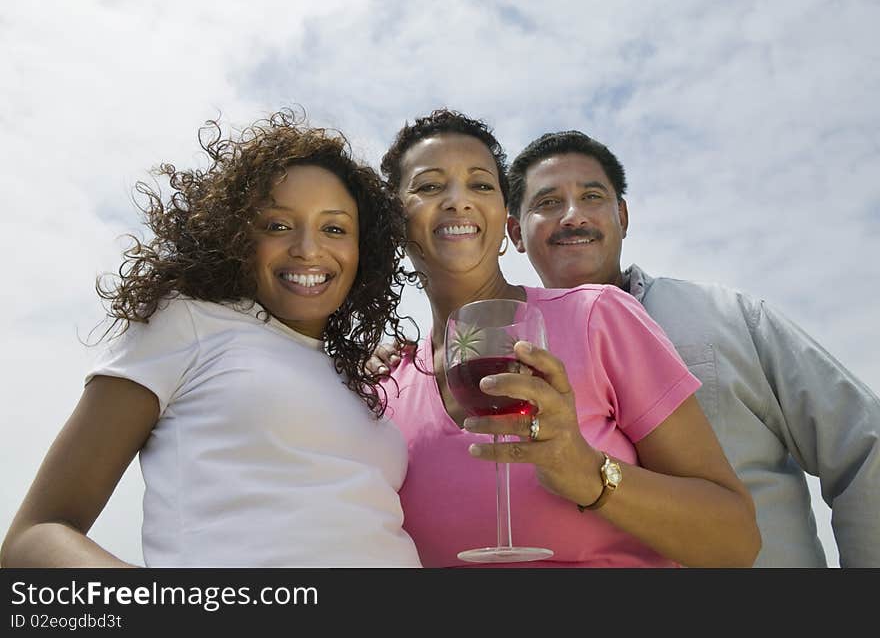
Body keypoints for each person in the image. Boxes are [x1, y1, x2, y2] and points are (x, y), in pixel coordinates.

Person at [0, 109, 422, 568]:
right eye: (278, 225)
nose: (308, 248)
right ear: (239, 234)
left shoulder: (357, 379)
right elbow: (34, 537)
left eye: (335, 229)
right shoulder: (187, 321)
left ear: (365, 251)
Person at [376, 108, 760, 568]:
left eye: (480, 185)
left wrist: (591, 475)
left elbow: (736, 541)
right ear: (392, 217)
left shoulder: (598, 317)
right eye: (430, 186)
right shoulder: (384, 386)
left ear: (505, 222)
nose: (459, 201)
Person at [504, 129, 880, 567]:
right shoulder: (510, 357)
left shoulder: (732, 317)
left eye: (592, 197)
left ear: (622, 216)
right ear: (515, 231)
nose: (573, 216)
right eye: (548, 203)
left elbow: (862, 442)